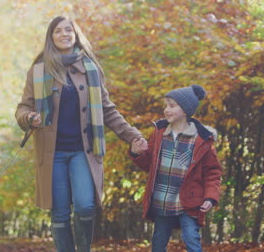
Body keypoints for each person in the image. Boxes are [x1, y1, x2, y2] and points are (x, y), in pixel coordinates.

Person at [15, 16, 147, 252]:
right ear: (51, 37)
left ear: (75, 35)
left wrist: (132, 136)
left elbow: (107, 110)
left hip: (83, 151)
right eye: (58, 31)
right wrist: (28, 118)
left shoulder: (90, 69)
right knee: (60, 212)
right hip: (52, 153)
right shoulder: (38, 71)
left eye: (69, 30)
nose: (64, 34)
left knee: (86, 206)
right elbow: (23, 108)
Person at [130, 85, 221, 252]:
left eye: (172, 106)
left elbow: (213, 173)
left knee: (192, 240)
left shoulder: (201, 139)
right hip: (162, 199)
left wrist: (210, 197)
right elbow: (148, 163)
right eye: (166, 105)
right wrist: (136, 153)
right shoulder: (159, 133)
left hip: (190, 201)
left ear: (185, 110)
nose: (167, 110)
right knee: (158, 242)